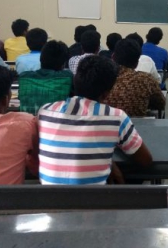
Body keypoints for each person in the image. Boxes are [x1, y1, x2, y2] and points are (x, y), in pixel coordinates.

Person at [38, 55, 153, 185]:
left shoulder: (45, 111)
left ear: (75, 80)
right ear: (106, 93)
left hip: (48, 197)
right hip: (95, 198)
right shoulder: (115, 117)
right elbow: (145, 160)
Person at [105, 38, 165, 117]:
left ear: (113, 57)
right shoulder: (146, 79)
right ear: (137, 63)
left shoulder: (103, 78)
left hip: (106, 123)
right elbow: (161, 104)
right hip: (138, 124)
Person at [18, 40, 73, 115]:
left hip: (27, 121)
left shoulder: (24, 77)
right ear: (63, 63)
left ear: (41, 59)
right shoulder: (67, 77)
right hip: (55, 121)